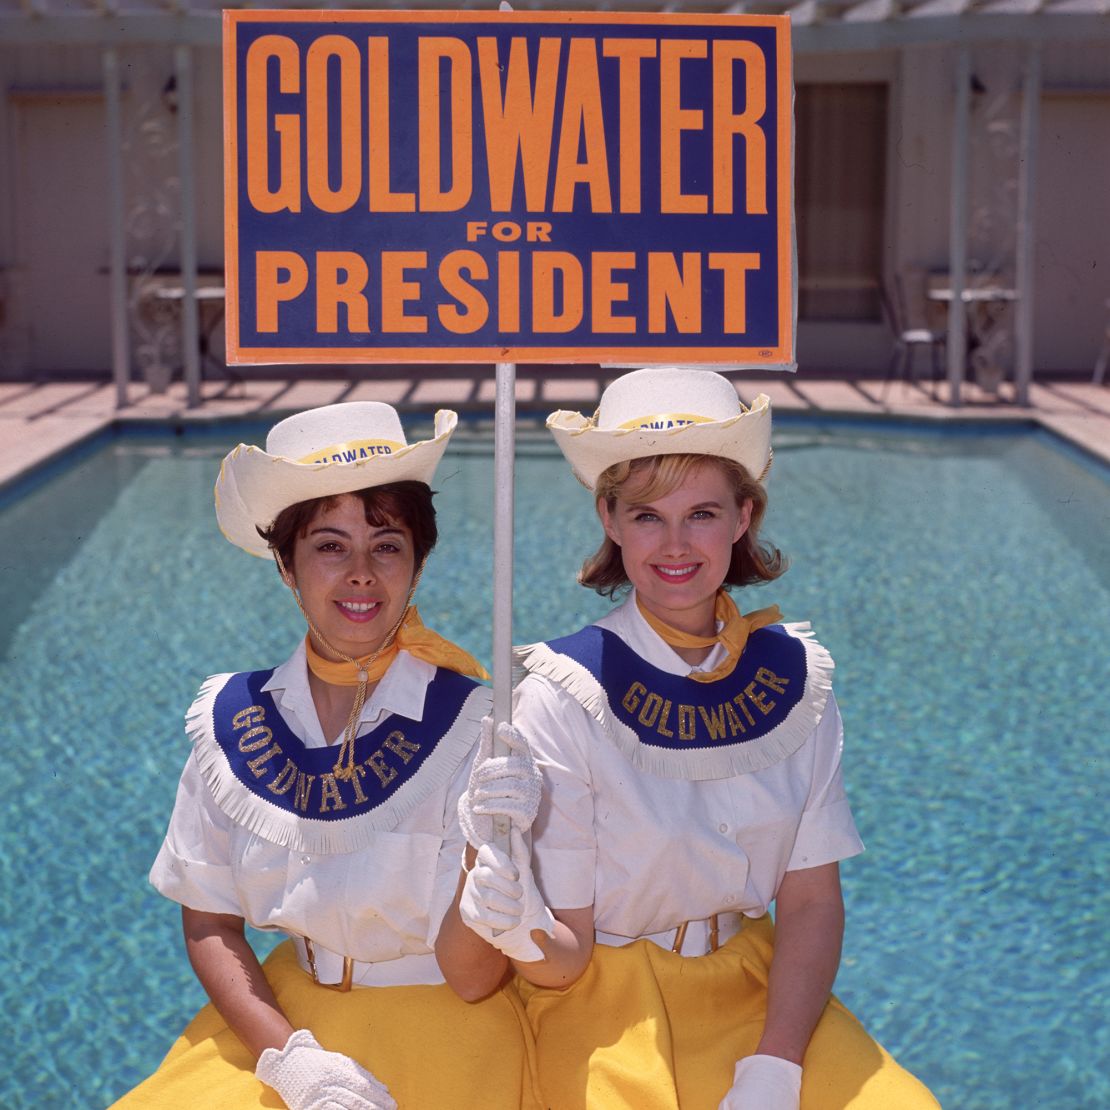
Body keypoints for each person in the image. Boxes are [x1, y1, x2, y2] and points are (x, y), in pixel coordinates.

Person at [453, 369, 939, 1109]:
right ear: (609, 519)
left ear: (744, 517)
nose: (675, 544)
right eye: (647, 515)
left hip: (762, 990)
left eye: (702, 513)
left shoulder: (797, 679)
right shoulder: (559, 692)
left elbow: (810, 903)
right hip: (606, 1000)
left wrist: (775, 1068)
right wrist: (522, 930)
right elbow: (567, 958)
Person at [115, 402, 540, 1110]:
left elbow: (475, 978)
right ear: (286, 565)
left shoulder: (481, 727)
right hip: (282, 1026)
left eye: (387, 544)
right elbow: (209, 924)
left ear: (419, 562)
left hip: (449, 1021)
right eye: (330, 546)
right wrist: (288, 1060)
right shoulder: (230, 723)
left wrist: (491, 857)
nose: (362, 573)